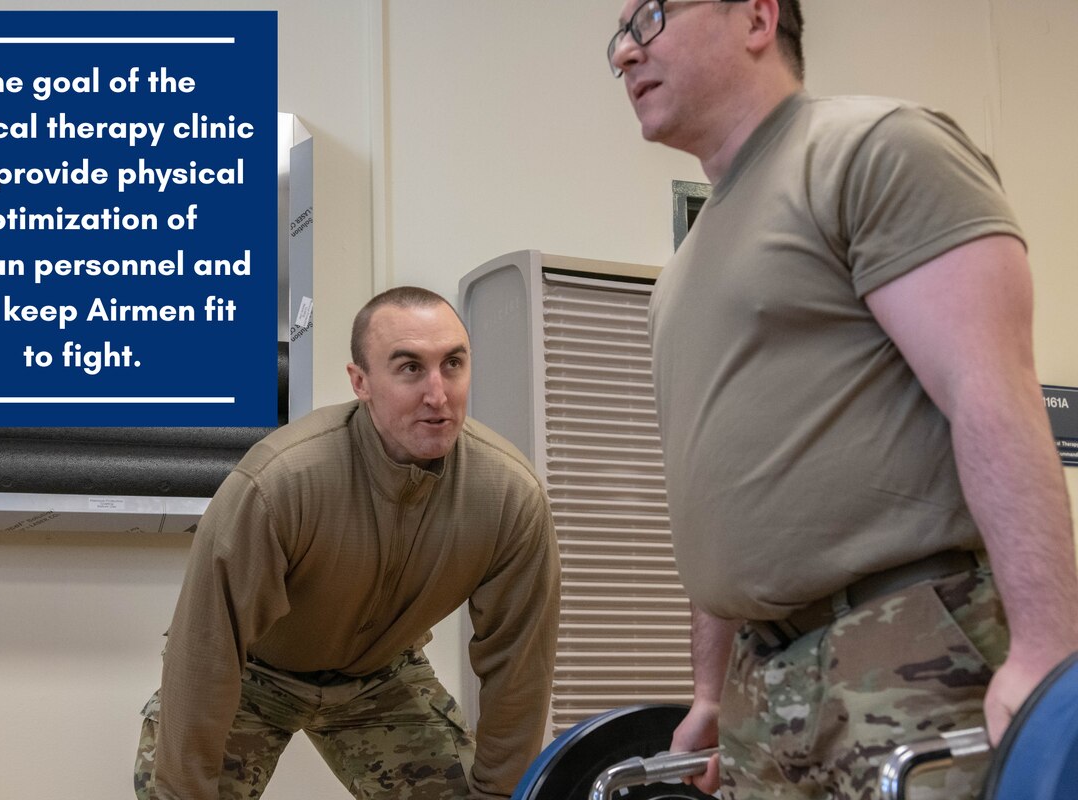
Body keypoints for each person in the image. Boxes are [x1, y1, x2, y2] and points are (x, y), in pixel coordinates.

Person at [609, 1, 1078, 798]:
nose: (624, 53)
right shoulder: (680, 275)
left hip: (908, 643)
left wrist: (1049, 657)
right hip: (765, 680)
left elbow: (990, 393)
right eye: (616, 36)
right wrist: (712, 693)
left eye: (649, 15)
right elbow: (723, 492)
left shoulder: (872, 150)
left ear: (757, 17)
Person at [134, 286, 560, 800]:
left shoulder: (509, 496)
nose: (438, 394)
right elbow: (205, 650)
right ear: (360, 382)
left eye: (452, 364)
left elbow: (519, 665)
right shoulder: (281, 482)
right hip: (252, 674)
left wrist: (500, 794)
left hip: (381, 678)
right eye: (409, 368)